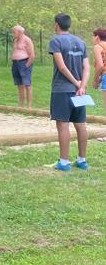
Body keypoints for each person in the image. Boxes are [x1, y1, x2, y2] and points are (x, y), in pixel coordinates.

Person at [48, 13, 89, 171]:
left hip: (62, 90)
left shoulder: (56, 41)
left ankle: (64, 162)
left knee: (63, 125)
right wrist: (82, 85)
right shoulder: (80, 42)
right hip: (79, 92)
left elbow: (62, 67)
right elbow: (87, 67)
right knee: (81, 124)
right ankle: (82, 160)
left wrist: (75, 83)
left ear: (56, 25)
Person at [11, 25, 36, 108]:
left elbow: (32, 55)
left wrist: (27, 65)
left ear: (20, 32)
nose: (12, 33)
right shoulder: (15, 40)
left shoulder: (27, 40)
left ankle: (29, 106)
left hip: (24, 62)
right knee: (19, 84)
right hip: (16, 63)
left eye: (14, 32)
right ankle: (21, 105)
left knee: (27, 84)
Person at [91, 29, 106, 140]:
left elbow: (100, 66)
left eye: (93, 36)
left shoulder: (98, 47)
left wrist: (95, 80)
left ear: (97, 37)